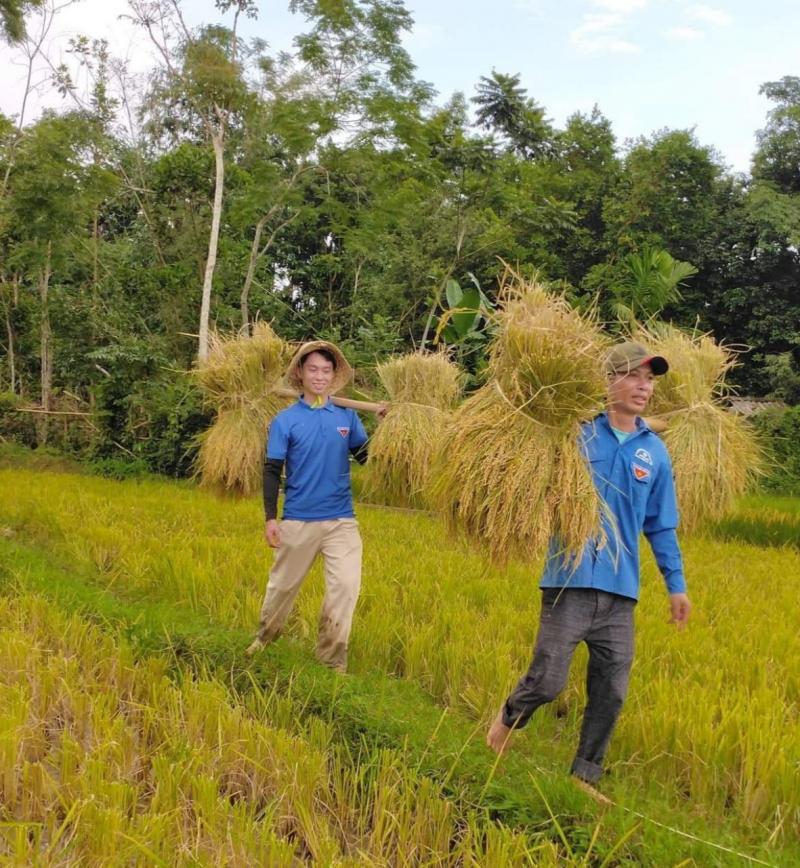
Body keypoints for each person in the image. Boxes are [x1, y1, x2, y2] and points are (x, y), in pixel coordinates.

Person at [486, 341, 692, 787]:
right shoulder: (572, 432)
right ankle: (505, 722)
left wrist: (676, 585)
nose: (642, 387)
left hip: (621, 591)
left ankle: (585, 776)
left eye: (649, 379)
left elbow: (661, 525)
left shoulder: (654, 451)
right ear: (608, 381)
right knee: (548, 680)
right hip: (570, 579)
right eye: (633, 376)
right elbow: (526, 468)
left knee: (611, 691)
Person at [245, 340, 374, 672]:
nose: (320, 376)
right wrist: (270, 518)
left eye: (326, 370)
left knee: (345, 588)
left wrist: (389, 426)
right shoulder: (285, 421)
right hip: (299, 519)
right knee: (281, 588)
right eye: (313, 369)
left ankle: (331, 662)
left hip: (341, 521)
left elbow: (366, 457)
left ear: (334, 376)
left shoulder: (346, 416)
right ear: (300, 373)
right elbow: (272, 470)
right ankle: (263, 640)